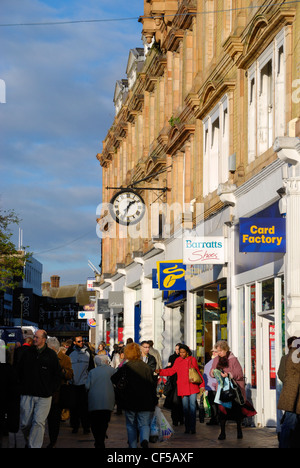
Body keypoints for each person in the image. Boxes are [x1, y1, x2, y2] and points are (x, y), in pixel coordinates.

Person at [16, 329, 61, 448]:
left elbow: (57, 374)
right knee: (25, 423)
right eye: (34, 337)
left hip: (44, 395)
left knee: (38, 422)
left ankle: (34, 446)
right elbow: (19, 371)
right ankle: (29, 441)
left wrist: (51, 389)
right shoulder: (27, 353)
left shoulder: (51, 355)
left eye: (37, 337)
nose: (34, 339)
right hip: (27, 393)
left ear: (44, 339)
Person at [111, 342, 158, 448]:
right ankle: (144, 440)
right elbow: (152, 385)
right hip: (145, 400)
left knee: (131, 425)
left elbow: (114, 379)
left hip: (130, 400)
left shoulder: (126, 367)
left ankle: (133, 446)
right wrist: (154, 400)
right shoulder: (146, 367)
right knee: (144, 424)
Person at [158, 344, 204, 434]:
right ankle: (187, 428)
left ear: (187, 352)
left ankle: (192, 427)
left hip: (192, 387)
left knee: (193, 408)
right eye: (180, 352)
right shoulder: (177, 360)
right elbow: (171, 371)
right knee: (186, 409)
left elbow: (197, 372)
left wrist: (202, 385)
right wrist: (160, 371)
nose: (181, 354)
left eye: (183, 352)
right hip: (182, 388)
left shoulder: (192, 359)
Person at [210, 340, 246, 441]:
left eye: (220, 351)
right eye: (217, 351)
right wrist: (213, 372)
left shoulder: (233, 359)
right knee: (222, 411)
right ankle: (222, 432)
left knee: (236, 411)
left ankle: (239, 430)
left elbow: (239, 373)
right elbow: (212, 371)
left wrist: (229, 374)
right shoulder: (216, 359)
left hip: (232, 390)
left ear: (226, 350)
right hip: (221, 389)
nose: (219, 353)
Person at [46, 336, 74, 448]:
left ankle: (53, 440)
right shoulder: (45, 357)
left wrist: (62, 371)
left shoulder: (65, 358)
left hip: (57, 393)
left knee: (54, 418)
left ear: (53, 348)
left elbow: (70, 374)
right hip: (45, 390)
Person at [85, 355, 116, 448]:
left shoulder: (92, 372)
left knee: (95, 423)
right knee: (104, 422)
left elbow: (87, 386)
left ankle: (97, 440)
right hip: (108, 400)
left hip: (94, 401)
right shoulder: (112, 371)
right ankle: (101, 439)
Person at [67, 334, 95, 434]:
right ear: (74, 342)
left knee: (85, 407)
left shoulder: (88, 352)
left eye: (82, 341)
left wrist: (90, 382)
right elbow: (66, 366)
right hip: (73, 384)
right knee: (73, 407)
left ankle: (86, 427)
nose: (81, 343)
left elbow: (91, 368)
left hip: (84, 384)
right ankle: (75, 426)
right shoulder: (70, 352)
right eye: (79, 341)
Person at [278, 337, 300, 448]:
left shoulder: (286, 358)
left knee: (290, 423)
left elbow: (281, 375)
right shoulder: (290, 358)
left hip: (292, 395)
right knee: (290, 423)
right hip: (293, 396)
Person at [163, 343, 184, 427]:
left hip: (182, 382)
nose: (177, 351)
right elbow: (169, 368)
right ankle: (175, 419)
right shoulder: (172, 357)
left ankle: (181, 419)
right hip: (174, 383)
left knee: (182, 403)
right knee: (175, 402)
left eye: (178, 349)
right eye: (176, 349)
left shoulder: (184, 357)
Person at [203, 347, 218, 425]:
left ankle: (215, 419)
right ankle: (214, 418)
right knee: (212, 403)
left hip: (214, 386)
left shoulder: (217, 362)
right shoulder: (212, 362)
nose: (213, 353)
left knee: (214, 404)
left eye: (215, 352)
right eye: (212, 352)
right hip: (210, 387)